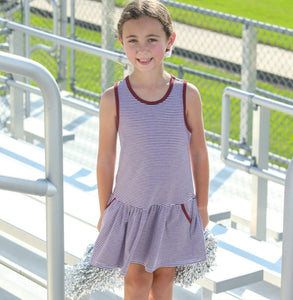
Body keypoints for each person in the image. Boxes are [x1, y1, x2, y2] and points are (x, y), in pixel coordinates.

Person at [90, 1, 210, 299]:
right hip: (134, 207)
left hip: (174, 206)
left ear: (170, 40)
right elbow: (106, 158)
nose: (142, 50)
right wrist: (104, 208)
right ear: (121, 43)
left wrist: (203, 205)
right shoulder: (113, 98)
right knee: (136, 280)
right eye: (133, 41)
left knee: (164, 278)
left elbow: (199, 152)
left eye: (152, 40)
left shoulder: (187, 95)